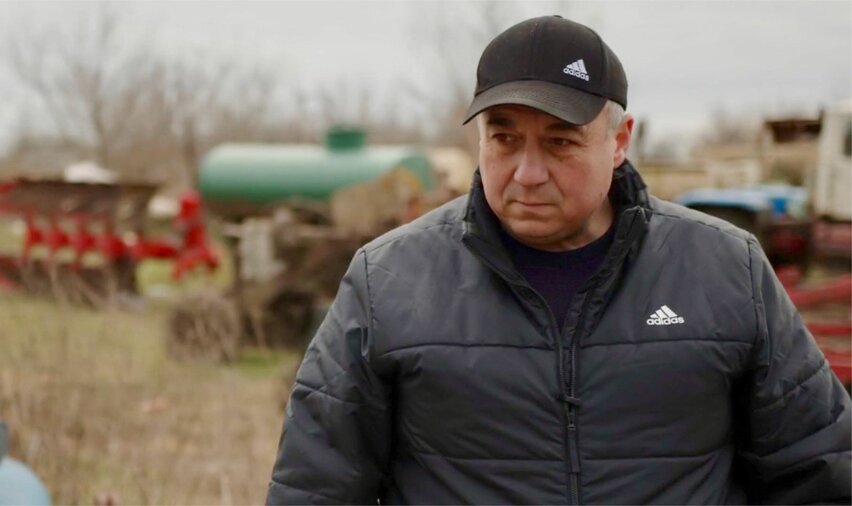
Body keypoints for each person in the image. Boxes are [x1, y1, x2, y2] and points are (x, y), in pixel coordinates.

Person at [267, 16, 851, 504]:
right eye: (503, 138)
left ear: (619, 141)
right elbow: (316, 488)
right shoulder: (388, 279)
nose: (527, 172)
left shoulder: (726, 269)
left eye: (559, 141)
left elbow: (820, 473)